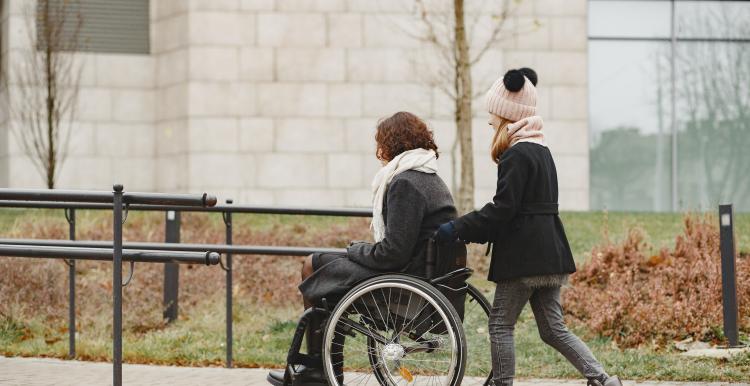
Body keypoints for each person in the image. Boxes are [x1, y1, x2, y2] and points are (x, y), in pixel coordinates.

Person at [434, 68, 622, 386]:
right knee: (553, 329)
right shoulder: (542, 151)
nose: (490, 120)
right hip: (550, 254)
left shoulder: (516, 155)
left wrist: (458, 228)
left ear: (507, 113)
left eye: (493, 112)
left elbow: (502, 211)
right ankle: (603, 380)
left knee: (500, 325)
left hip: (525, 257)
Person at [267, 111, 462, 386]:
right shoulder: (430, 177)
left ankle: (318, 370)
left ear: (391, 143)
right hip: (420, 274)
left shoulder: (406, 182)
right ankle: (320, 364)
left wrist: (355, 249)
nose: (377, 150)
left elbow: (392, 253)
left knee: (311, 264)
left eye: (379, 142)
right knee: (321, 265)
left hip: (404, 280)